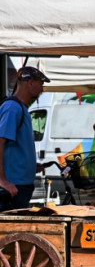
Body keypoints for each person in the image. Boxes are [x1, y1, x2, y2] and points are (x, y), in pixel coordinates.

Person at [0, 66, 50, 210]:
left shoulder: (21, 108)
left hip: (20, 185)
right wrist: (3, 180)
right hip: (13, 187)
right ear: (30, 83)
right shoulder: (12, 108)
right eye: (41, 84)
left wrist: (30, 166)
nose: (42, 89)